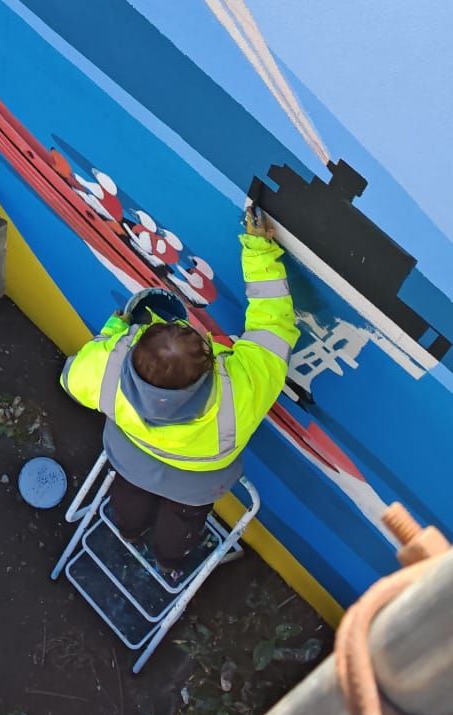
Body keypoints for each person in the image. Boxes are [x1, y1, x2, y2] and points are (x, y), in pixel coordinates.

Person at [60, 206, 298, 581]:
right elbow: (274, 325)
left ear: (135, 349)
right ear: (209, 363)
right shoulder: (240, 390)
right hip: (198, 483)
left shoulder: (107, 367)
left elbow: (71, 377)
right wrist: (258, 251)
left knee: (130, 493)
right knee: (183, 519)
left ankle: (129, 530)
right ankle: (170, 562)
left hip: (131, 457)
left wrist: (114, 330)